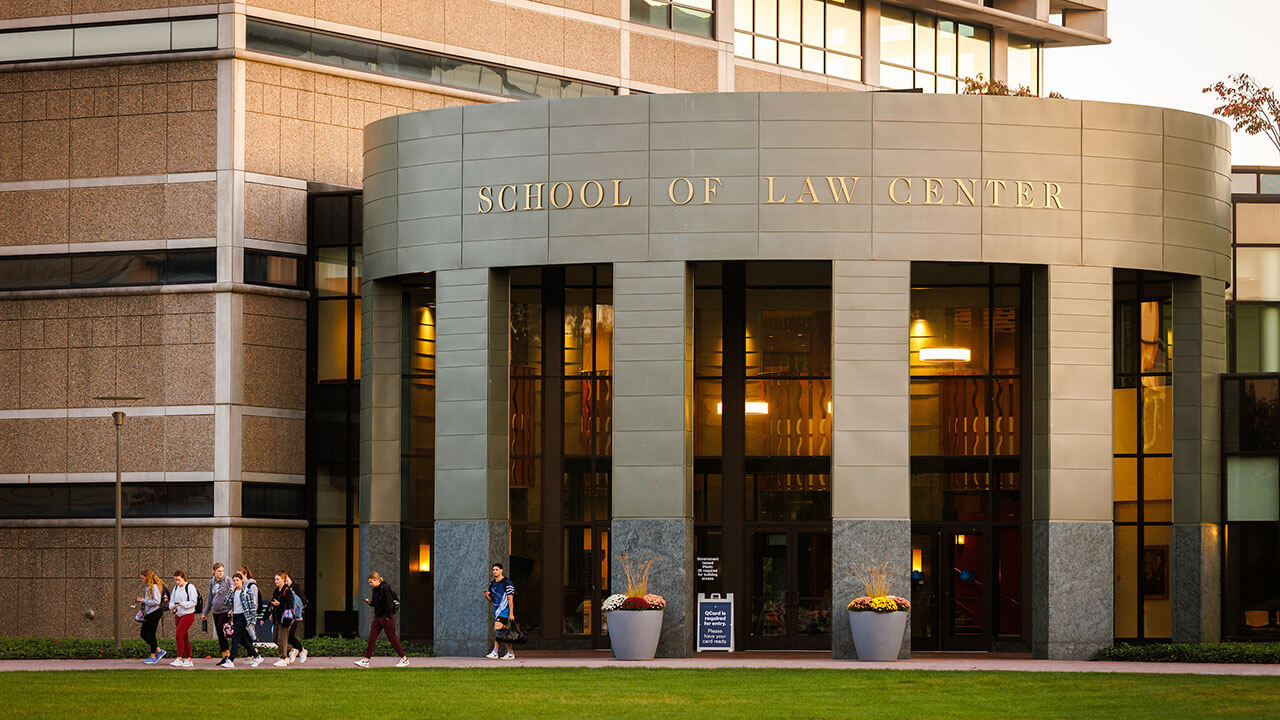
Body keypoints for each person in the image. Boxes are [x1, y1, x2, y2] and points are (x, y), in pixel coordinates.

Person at [354, 571, 409, 668]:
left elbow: (389, 603)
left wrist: (388, 615)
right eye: (369, 582)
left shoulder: (385, 587)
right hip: (378, 617)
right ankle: (366, 660)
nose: (370, 584)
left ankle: (404, 659)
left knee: (392, 638)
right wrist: (369, 603)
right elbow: (375, 603)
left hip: (386, 617)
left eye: (371, 582)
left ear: (377, 580)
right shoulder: (375, 590)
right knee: (372, 638)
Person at [217, 572, 263, 669]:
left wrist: (252, 622)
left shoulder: (247, 591)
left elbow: (252, 608)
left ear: (241, 580)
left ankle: (231, 660)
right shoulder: (233, 592)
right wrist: (230, 592)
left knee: (235, 639)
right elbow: (226, 602)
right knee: (243, 640)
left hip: (243, 617)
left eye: (237, 580)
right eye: (234, 580)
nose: (235, 582)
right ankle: (257, 657)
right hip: (236, 617)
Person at [484, 563, 516, 660]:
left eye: (497, 569)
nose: (495, 571)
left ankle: (495, 652)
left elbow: (510, 599)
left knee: (498, 630)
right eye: (493, 570)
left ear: (501, 570)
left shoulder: (507, 582)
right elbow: (490, 600)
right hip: (497, 612)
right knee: (503, 633)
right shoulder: (492, 584)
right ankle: (510, 653)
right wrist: (486, 595)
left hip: (504, 611)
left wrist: (511, 613)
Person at [203, 563, 234, 663]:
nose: (220, 573)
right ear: (214, 571)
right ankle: (224, 656)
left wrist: (232, 609)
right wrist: (205, 612)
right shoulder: (212, 582)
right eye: (218, 571)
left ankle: (228, 655)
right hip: (215, 611)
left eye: (222, 571)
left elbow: (233, 595)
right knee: (219, 634)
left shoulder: (228, 580)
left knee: (221, 631)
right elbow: (209, 598)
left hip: (225, 610)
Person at [136, 569, 167, 665]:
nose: (142, 580)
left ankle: (153, 656)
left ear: (147, 577)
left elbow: (156, 601)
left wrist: (143, 600)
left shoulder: (154, 586)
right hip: (150, 612)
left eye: (143, 578)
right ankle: (158, 650)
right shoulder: (149, 587)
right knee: (144, 634)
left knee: (150, 634)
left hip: (155, 612)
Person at [168, 570, 197, 667]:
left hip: (188, 614)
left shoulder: (190, 587)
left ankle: (179, 658)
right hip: (178, 614)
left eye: (179, 580)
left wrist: (182, 604)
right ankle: (188, 659)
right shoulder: (176, 588)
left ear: (183, 578)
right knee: (184, 637)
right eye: (175, 580)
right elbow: (171, 601)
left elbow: (193, 602)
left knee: (178, 635)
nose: (177, 582)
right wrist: (172, 606)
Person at [268, 573, 296, 667]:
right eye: (275, 579)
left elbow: (290, 605)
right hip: (277, 617)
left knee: (282, 639)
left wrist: (280, 604)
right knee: (275, 639)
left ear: (283, 580)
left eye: (278, 579)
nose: (276, 581)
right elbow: (272, 602)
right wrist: (271, 613)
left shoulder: (287, 591)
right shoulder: (276, 590)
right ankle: (291, 650)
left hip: (284, 618)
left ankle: (283, 658)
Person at [282, 571, 308, 663]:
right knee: (287, 636)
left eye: (287, 578)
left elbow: (303, 599)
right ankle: (295, 651)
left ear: (290, 578)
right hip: (288, 615)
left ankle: (300, 650)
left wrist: (299, 609)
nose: (286, 580)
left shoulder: (295, 587)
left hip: (295, 615)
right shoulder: (284, 588)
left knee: (289, 635)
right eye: (284, 579)